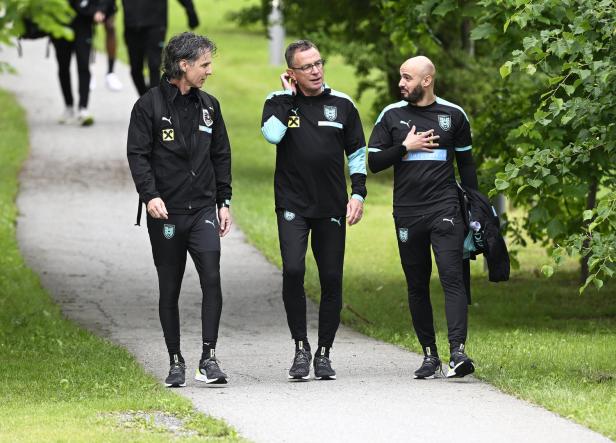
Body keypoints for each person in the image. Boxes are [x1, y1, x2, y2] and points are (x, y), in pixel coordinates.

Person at [127, 32, 232, 387]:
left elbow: (221, 155)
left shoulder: (210, 106)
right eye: (204, 64)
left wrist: (224, 201)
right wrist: (149, 195)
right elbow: (138, 156)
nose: (209, 71)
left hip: (202, 208)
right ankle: (175, 360)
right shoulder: (149, 106)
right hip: (166, 213)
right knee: (169, 286)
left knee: (213, 277)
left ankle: (209, 357)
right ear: (183, 65)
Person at [260, 40, 367, 381]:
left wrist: (359, 194)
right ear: (291, 73)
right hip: (292, 203)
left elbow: (358, 153)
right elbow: (272, 136)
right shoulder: (276, 103)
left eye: (319, 63)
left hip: (331, 206)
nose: (316, 70)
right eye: (307, 67)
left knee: (331, 277)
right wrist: (289, 99)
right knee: (293, 270)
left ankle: (324, 352)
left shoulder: (342, 104)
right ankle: (300, 347)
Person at [367, 56, 479, 379]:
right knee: (417, 284)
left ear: (426, 81)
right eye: (401, 77)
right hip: (407, 213)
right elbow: (373, 162)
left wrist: (476, 209)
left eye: (407, 78)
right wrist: (405, 146)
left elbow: (467, 166)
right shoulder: (391, 115)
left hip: (445, 209)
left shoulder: (453, 115)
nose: (401, 83)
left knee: (451, 278)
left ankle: (457, 352)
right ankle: (429, 355)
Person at [122, 0, 199, 96]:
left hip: (156, 23)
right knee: (135, 70)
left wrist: (190, 10)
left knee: (154, 65)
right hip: (132, 25)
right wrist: (102, 9)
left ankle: (155, 105)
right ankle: (146, 100)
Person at [52, 0, 108, 126]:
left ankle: (83, 108)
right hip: (60, 23)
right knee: (63, 67)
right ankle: (68, 106)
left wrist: (100, 10)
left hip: (83, 23)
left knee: (83, 65)